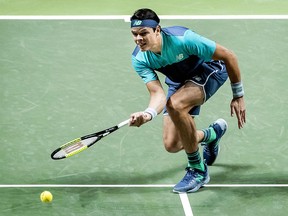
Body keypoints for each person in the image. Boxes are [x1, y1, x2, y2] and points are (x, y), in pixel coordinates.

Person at [128, 8, 246, 193]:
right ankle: (212, 134)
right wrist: (147, 114)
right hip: (179, 81)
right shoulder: (139, 58)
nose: (138, 39)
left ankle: (198, 170)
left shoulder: (183, 38)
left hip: (209, 69)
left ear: (157, 30)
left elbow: (228, 55)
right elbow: (157, 94)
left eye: (144, 33)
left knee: (175, 104)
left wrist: (238, 95)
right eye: (134, 34)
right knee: (172, 145)